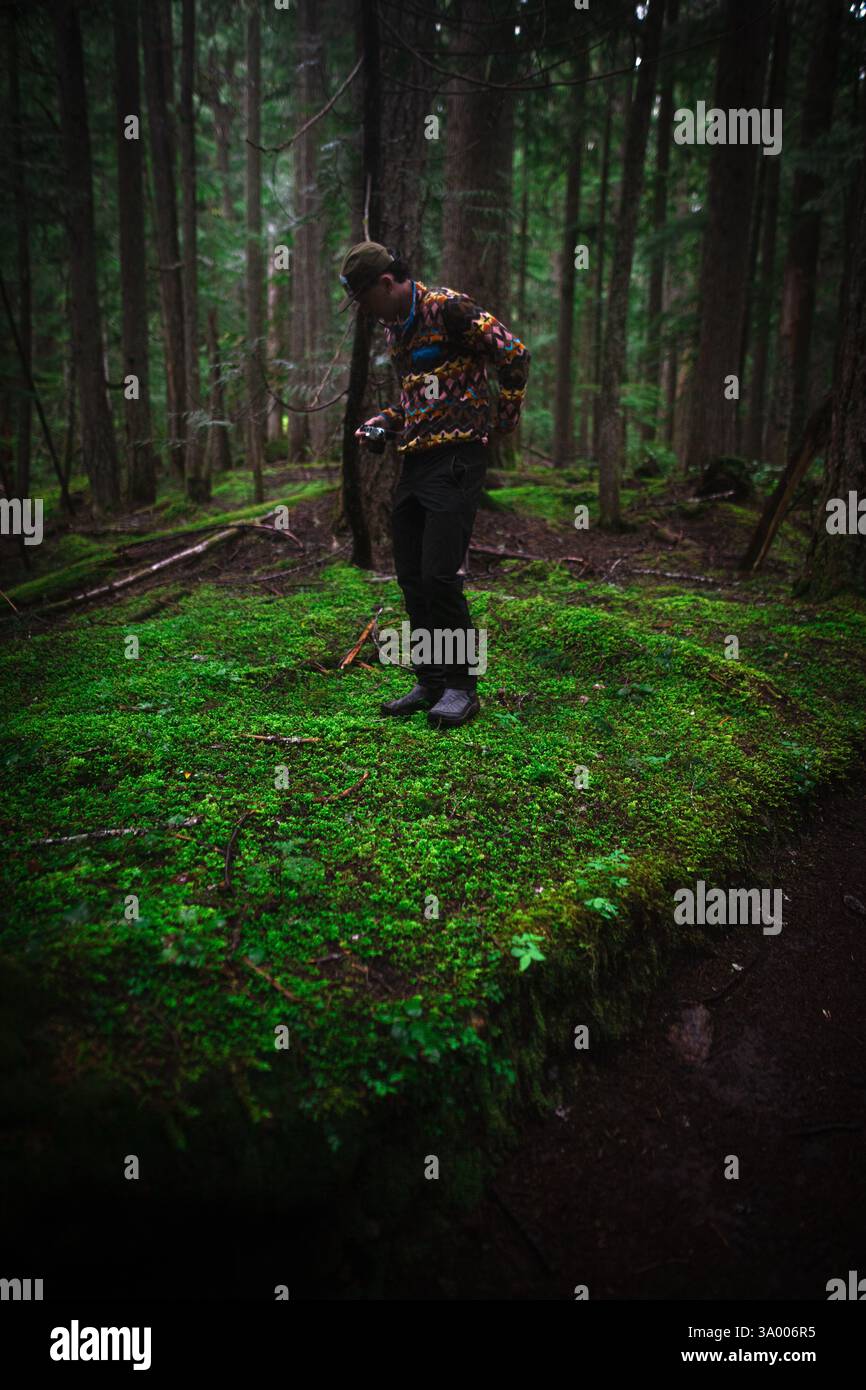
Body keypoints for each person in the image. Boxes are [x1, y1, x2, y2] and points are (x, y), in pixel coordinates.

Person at [338, 240, 531, 729]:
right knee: (412, 577)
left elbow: (514, 354)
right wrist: (382, 422)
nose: (363, 311)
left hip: (458, 459)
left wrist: (504, 418)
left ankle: (463, 687)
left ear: (386, 284)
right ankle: (430, 680)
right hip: (416, 462)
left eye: (364, 299)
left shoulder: (449, 308)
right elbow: (413, 401)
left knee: (442, 576)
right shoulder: (395, 332)